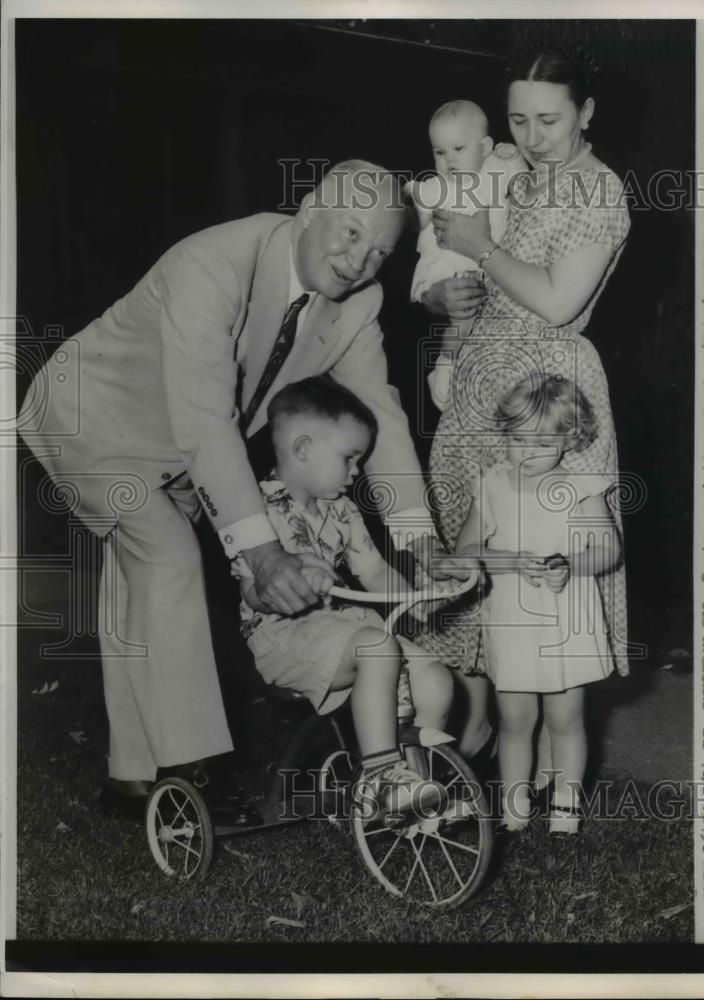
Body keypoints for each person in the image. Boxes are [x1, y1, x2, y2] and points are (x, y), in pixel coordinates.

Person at [19, 160, 448, 819]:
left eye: (380, 251)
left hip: (182, 441)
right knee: (167, 555)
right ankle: (191, 772)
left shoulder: (359, 304)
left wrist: (421, 541)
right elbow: (205, 417)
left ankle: (132, 779)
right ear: (308, 210)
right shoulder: (215, 259)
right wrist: (263, 553)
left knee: (146, 583)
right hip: (92, 416)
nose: (359, 260)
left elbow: (381, 417)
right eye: (351, 232)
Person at [417, 46, 632, 764]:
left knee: (550, 555)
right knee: (478, 550)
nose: (533, 136)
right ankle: (488, 725)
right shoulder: (510, 173)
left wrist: (480, 247)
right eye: (519, 119)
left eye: (549, 120)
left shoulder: (595, 190)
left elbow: (557, 300)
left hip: (545, 392)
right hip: (479, 381)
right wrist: (439, 306)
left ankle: (553, 758)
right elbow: (449, 265)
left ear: (586, 113)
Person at [233, 376, 453, 808]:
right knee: (378, 647)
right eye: (349, 459)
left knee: (435, 679)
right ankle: (381, 775)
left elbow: (372, 569)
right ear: (302, 450)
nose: (356, 472)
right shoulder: (256, 514)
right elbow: (253, 593)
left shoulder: (341, 509)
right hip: (283, 637)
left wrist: (417, 597)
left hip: (344, 629)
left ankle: (419, 783)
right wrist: (291, 583)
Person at [452, 374, 620, 834]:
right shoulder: (491, 484)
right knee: (514, 720)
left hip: (566, 616)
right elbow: (466, 550)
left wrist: (572, 563)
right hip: (512, 619)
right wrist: (506, 559)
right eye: (518, 439)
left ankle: (566, 808)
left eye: (543, 441)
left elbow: (608, 549)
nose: (527, 451)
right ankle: (515, 808)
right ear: (504, 435)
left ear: (569, 439)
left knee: (565, 718)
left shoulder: (582, 486)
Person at [406, 100, 523, 411]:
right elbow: (412, 216)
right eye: (439, 152)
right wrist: (405, 200)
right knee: (463, 317)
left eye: (458, 148)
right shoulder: (434, 187)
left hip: (490, 266)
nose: (449, 160)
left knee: (486, 326)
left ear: (484, 147)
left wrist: (513, 155)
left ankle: (467, 373)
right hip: (447, 267)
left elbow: (522, 180)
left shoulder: (496, 169)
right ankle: (445, 367)